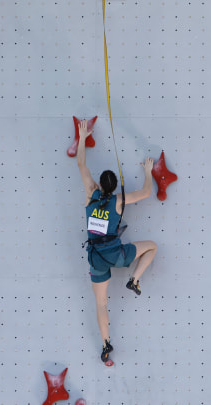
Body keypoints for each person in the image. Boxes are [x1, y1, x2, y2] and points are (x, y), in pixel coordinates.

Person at [76, 119, 158, 363]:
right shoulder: (119, 201)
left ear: (101, 184)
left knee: (101, 305)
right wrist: (147, 172)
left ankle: (105, 345)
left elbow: (81, 164)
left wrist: (82, 137)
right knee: (152, 246)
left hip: (96, 259)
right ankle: (134, 279)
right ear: (114, 187)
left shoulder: (91, 193)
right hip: (117, 255)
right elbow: (144, 193)